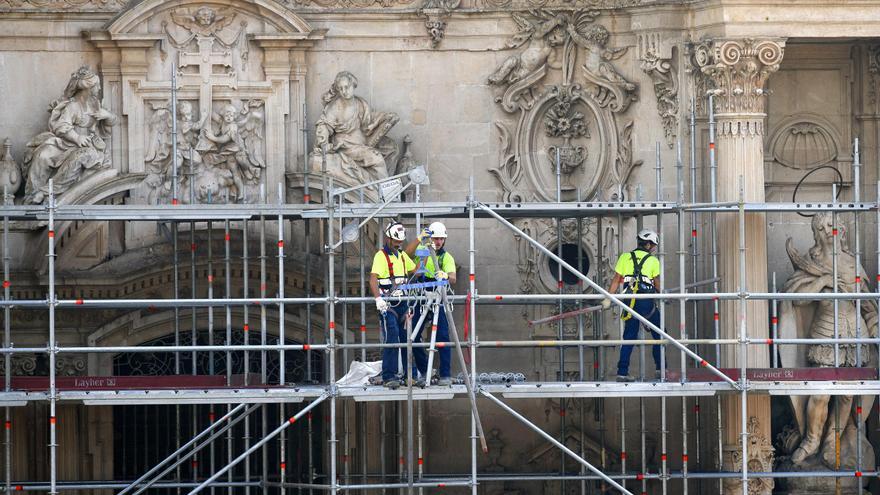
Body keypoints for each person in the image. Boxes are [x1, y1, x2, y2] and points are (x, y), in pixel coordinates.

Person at [602, 229, 663, 382]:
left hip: (630, 301)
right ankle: (661, 369)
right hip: (646, 302)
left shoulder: (625, 257)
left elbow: (616, 279)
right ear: (648, 245)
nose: (654, 248)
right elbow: (657, 284)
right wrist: (664, 295)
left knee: (629, 336)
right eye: (654, 245)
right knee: (660, 334)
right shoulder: (653, 261)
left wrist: (608, 298)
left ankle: (622, 372)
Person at [405, 221, 457, 386]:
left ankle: (445, 374)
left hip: (438, 299)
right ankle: (424, 369)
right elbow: (406, 255)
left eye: (441, 239)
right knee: (412, 333)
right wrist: (420, 239)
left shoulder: (446, 257)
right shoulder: (423, 252)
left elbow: (453, 278)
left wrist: (445, 276)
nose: (439, 242)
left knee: (442, 336)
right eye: (436, 239)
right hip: (421, 299)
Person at [370, 221, 417, 389]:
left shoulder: (402, 256)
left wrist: (426, 250)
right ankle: (388, 375)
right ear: (388, 238)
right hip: (388, 304)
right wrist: (378, 299)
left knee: (406, 338)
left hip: (403, 304)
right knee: (392, 337)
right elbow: (373, 278)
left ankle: (409, 375)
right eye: (396, 242)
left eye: (400, 242)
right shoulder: (380, 257)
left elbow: (416, 268)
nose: (398, 244)